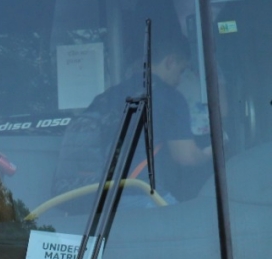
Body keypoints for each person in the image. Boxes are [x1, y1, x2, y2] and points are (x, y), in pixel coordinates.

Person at [53, 31, 212, 202]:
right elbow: (186, 157)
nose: (180, 80)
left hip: (98, 204)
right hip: (141, 198)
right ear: (170, 61)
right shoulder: (170, 98)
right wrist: (211, 153)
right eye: (181, 71)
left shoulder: (106, 97)